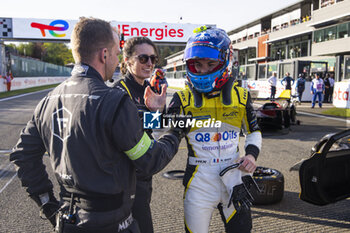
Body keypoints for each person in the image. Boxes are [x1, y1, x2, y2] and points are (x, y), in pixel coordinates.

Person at [9, 17, 184, 233]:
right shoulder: (115, 99)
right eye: (117, 54)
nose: (117, 59)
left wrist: (49, 206)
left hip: (68, 220)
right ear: (104, 54)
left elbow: (22, 156)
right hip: (113, 221)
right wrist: (176, 131)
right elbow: (150, 160)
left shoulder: (48, 100)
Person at [167, 27, 262, 233]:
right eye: (197, 65)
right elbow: (167, 132)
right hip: (199, 183)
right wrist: (155, 112)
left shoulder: (242, 96)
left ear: (226, 61)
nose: (202, 70)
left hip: (235, 177)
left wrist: (252, 156)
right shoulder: (182, 98)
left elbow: (253, 131)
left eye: (211, 64)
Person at [111, 36, 166, 233]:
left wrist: (157, 112)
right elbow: (126, 130)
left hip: (143, 175)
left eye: (153, 58)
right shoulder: (118, 92)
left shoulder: (148, 90)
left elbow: (151, 129)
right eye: (143, 58)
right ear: (127, 61)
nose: (150, 63)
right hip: (124, 181)